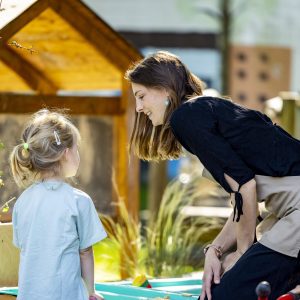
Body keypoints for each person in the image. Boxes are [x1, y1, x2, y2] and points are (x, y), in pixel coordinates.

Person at [125, 51, 300, 300]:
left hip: (296, 209)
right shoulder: (203, 111)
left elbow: (245, 188)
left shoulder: (185, 117)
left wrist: (241, 253)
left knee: (224, 294)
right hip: (288, 210)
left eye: (141, 96)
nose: (139, 108)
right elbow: (242, 201)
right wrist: (215, 251)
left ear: (164, 89)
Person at [10, 109, 107, 300]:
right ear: (65, 154)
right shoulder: (79, 201)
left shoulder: (22, 203)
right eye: (76, 148)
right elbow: (85, 252)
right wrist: (90, 292)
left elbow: (25, 247)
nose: (78, 153)